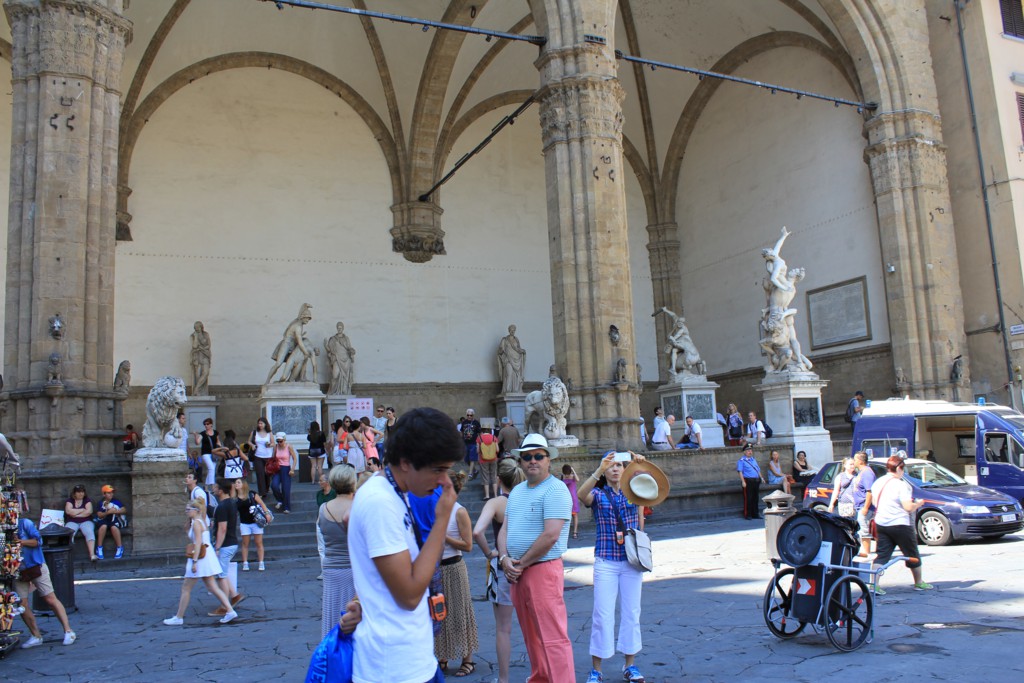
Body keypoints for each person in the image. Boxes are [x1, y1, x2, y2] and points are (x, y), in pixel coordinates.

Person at [347, 406, 462, 683]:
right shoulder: (380, 503)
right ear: (406, 462)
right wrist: (442, 519)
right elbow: (409, 595)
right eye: (438, 470)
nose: (444, 481)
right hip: (395, 668)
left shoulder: (397, 493)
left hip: (412, 659)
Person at [495, 433, 575, 682]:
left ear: (548, 459)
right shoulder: (517, 491)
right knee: (531, 635)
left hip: (541, 568)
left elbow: (551, 534)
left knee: (552, 636)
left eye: (538, 456)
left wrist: (520, 563)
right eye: (527, 456)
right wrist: (505, 559)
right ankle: (540, 678)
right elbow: (504, 529)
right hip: (518, 570)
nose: (532, 461)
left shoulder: (556, 488)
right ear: (520, 461)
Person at [577, 451, 648, 683]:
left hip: (631, 561)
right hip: (606, 560)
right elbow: (580, 495)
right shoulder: (598, 494)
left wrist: (641, 465)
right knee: (602, 615)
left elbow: (654, 491)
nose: (615, 469)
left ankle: (630, 665)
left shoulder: (633, 490)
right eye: (611, 466)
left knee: (631, 613)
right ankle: (597, 669)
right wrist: (598, 468)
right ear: (605, 471)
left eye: (619, 465)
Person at [472, 459, 526, 683]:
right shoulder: (527, 498)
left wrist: (489, 553)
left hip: (503, 565)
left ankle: (503, 679)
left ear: (498, 479)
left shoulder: (496, 503)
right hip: (527, 564)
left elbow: (477, 532)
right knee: (534, 624)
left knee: (503, 629)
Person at [862, 455, 933, 592]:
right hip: (900, 523)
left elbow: (875, 502)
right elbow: (907, 507)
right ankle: (918, 582)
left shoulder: (878, 482)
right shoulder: (901, 485)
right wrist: (918, 504)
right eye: (903, 468)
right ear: (899, 468)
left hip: (882, 522)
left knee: (881, 555)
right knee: (912, 553)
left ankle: (874, 585)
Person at [163, 499, 237, 625]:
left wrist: (195, 562)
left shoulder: (197, 523)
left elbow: (198, 543)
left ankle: (179, 617)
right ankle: (230, 610)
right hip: (206, 556)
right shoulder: (200, 521)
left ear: (196, 510)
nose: (186, 511)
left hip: (200, 557)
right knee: (212, 587)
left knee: (186, 587)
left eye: (188, 509)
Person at [434, 472, 479, 677]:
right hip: (437, 568)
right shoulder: (436, 509)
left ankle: (467, 660)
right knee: (438, 615)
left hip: (454, 567)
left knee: (461, 614)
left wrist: (446, 537)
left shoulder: (459, 512)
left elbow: (468, 545)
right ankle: (442, 656)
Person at [15, 515, 77, 647]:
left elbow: (38, 541)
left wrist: (20, 542)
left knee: (50, 598)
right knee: (22, 604)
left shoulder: (24, 523)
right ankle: (36, 635)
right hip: (17, 570)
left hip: (35, 565)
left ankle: (68, 630)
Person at [318, 464, 357, 638]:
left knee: (332, 611)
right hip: (353, 569)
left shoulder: (323, 508)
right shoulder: (358, 507)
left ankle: (332, 649)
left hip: (331, 568)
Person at [209, 478, 244, 616]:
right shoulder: (231, 503)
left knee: (221, 575)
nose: (214, 488)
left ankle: (225, 606)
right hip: (231, 542)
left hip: (226, 544)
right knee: (222, 572)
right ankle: (234, 595)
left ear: (221, 490)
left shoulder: (223, 506)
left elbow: (222, 529)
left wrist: (217, 547)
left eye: (216, 487)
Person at [234, 478, 271, 572]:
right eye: (236, 483)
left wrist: (266, 513)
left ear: (243, 484)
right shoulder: (235, 498)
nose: (236, 484)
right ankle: (245, 562)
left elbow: (261, 503)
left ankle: (261, 562)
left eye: (238, 482)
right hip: (244, 523)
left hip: (256, 522)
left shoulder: (252, 494)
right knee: (245, 543)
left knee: (259, 542)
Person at [851, 451, 876, 558]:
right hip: (859, 505)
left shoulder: (867, 473)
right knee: (861, 529)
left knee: (864, 529)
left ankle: (867, 552)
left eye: (855, 459)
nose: (854, 461)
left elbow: (869, 491)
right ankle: (864, 551)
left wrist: (866, 507)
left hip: (864, 506)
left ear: (860, 461)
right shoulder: (861, 472)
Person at [64, 484, 97, 561]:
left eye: (82, 492)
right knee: (69, 533)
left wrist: (75, 514)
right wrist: (82, 510)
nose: (81, 494)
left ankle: (92, 554)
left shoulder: (87, 500)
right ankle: (68, 555)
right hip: (72, 521)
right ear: (74, 493)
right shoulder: (69, 501)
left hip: (86, 521)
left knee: (89, 531)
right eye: (79, 492)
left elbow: (89, 512)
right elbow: (68, 511)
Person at [95, 484, 126, 559]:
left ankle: (119, 547)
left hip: (114, 519)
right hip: (105, 520)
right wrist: (108, 512)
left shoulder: (116, 501)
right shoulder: (100, 503)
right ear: (104, 494)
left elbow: (124, 509)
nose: (111, 494)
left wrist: (116, 511)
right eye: (108, 493)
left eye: (112, 492)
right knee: (103, 526)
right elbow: (99, 515)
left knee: (114, 527)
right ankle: (99, 548)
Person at [325, 321, 356, 395]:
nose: (339, 329)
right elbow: (329, 350)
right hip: (337, 359)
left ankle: (344, 392)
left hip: (346, 360)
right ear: (336, 328)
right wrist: (325, 346)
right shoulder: (333, 339)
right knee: (335, 375)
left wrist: (352, 351)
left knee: (345, 377)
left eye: (341, 328)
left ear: (343, 328)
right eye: (338, 328)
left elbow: (349, 348)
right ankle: (333, 392)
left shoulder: (346, 338)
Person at [270, 432, 297, 513]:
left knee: (285, 488)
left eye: (280, 441)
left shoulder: (289, 446)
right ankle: (280, 500)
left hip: (286, 468)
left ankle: (286, 507)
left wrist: (292, 469)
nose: (279, 443)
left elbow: (295, 458)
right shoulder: (276, 446)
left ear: (284, 440)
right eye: (277, 441)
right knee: (274, 485)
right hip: (277, 468)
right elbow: (273, 457)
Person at [249, 417, 274, 498]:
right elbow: (249, 441)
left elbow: (273, 443)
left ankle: (266, 489)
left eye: (261, 423)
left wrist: (269, 445)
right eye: (259, 423)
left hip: (268, 456)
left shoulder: (269, 433)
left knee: (267, 474)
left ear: (265, 424)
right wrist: (252, 445)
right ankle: (261, 492)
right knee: (260, 474)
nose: (260, 425)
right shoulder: (254, 432)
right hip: (258, 456)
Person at [497, 324, 526, 395]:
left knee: (516, 375)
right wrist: (501, 351)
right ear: (509, 330)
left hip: (516, 360)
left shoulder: (516, 340)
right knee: (509, 374)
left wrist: (522, 351)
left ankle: (515, 390)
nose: (512, 331)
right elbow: (500, 351)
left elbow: (518, 349)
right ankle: (507, 390)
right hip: (508, 359)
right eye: (511, 330)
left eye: (514, 330)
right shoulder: (504, 339)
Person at [737, 445, 765, 520]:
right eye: (748, 450)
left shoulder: (753, 460)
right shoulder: (742, 460)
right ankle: (748, 514)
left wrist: (761, 477)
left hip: (756, 480)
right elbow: (740, 472)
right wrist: (743, 481)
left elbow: (757, 470)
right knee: (748, 498)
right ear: (744, 452)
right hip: (748, 481)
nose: (750, 452)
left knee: (755, 498)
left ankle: (755, 513)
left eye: (751, 450)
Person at [195, 418, 221, 492]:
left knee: (211, 470)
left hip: (214, 454)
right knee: (211, 468)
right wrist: (195, 435)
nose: (206, 425)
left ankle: (205, 487)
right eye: (205, 424)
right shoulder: (202, 433)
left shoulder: (216, 432)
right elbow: (197, 442)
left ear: (211, 424)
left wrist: (220, 448)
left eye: (207, 424)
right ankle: (213, 486)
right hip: (205, 453)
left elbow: (218, 442)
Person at [478, 426, 500, 499]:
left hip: (483, 459)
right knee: (494, 475)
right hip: (493, 459)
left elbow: (477, 451)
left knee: (485, 476)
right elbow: (497, 450)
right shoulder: (494, 437)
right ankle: (495, 495)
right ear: (490, 430)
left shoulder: (479, 438)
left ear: (482, 430)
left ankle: (487, 495)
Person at [190, 321, 211, 396]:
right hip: (197, 357)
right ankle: (197, 392)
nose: (196, 329)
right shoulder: (193, 335)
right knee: (198, 376)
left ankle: (196, 389)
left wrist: (202, 348)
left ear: (201, 327)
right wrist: (196, 337)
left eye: (197, 328)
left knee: (206, 373)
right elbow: (194, 346)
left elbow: (208, 345)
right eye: (195, 328)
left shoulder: (206, 334)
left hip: (205, 356)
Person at [459, 409, 481, 479]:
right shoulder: (464, 422)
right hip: (465, 443)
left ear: (473, 415)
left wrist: (479, 442)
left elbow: (479, 433)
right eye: (468, 415)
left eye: (470, 415)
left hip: (473, 443)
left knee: (472, 458)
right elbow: (461, 431)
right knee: (466, 460)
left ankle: (470, 473)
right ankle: (475, 470)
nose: (469, 416)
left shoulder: (476, 423)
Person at [560, 464, 580, 539]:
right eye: (565, 474)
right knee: (565, 516)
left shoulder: (573, 476)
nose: (567, 475)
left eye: (568, 474)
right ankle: (564, 532)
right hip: (565, 499)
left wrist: (573, 470)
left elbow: (578, 480)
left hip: (573, 499)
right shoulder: (562, 477)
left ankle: (575, 532)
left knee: (574, 515)